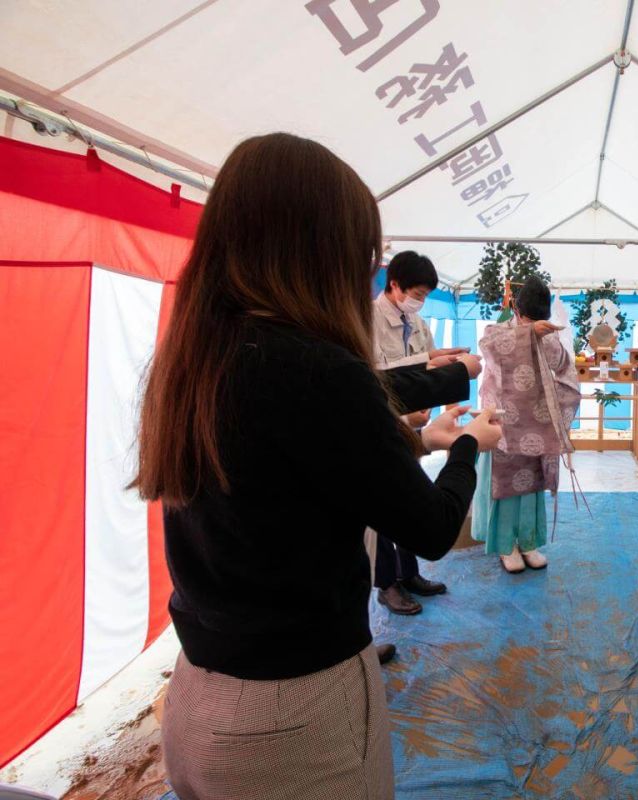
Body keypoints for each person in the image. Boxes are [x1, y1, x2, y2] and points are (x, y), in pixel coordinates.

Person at [131, 132, 502, 799]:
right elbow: (431, 528)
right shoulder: (317, 368)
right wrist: (470, 442)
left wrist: (425, 440)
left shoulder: (192, 358)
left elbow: (291, 466)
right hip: (291, 717)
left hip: (196, 695)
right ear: (320, 251)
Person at [371, 251, 472, 615]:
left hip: (411, 426)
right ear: (393, 284)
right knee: (380, 508)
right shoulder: (368, 320)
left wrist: (450, 360)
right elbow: (376, 375)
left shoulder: (418, 321)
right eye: (416, 292)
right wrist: (430, 365)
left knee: (407, 497)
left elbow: (427, 362)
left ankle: (409, 572)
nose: (421, 300)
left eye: (427, 295)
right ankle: (386, 584)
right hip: (380, 426)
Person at [472, 278, 581, 573]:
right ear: (516, 310)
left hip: (536, 427)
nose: (533, 323)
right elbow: (489, 348)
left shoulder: (549, 336)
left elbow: (564, 369)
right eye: (529, 318)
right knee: (506, 488)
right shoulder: (497, 332)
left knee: (532, 486)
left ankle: (529, 543)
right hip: (505, 426)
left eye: (538, 319)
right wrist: (528, 333)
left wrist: (547, 339)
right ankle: (506, 546)